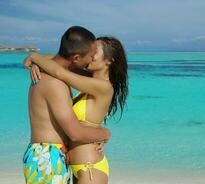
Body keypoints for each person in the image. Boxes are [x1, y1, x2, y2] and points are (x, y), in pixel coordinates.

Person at [24, 36, 128, 184]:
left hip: (90, 169)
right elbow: (60, 61)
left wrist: (35, 57)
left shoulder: (104, 87)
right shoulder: (88, 80)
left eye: (94, 52)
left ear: (109, 60)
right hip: (75, 167)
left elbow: (60, 73)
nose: (89, 55)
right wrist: (37, 62)